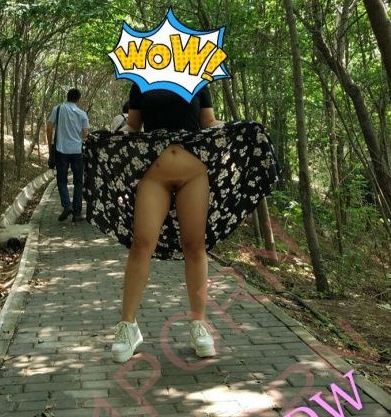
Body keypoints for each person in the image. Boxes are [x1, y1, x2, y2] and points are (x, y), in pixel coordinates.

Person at [83, 81, 280, 363]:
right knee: (141, 244)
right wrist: (107, 138)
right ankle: (127, 327)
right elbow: (134, 128)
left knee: (194, 245)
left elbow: (209, 122)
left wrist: (237, 129)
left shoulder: (199, 78)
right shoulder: (140, 83)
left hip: (194, 173)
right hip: (154, 174)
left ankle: (199, 323)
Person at [47, 88, 89, 222]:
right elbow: (85, 135)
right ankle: (77, 213)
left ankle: (67, 205)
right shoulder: (82, 114)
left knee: (61, 180)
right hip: (77, 151)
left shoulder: (58, 109)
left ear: (67, 97)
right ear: (78, 99)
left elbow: (49, 127)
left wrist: (50, 145)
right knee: (78, 182)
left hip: (61, 150)